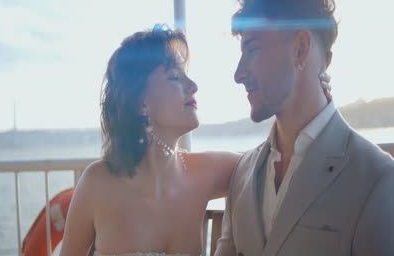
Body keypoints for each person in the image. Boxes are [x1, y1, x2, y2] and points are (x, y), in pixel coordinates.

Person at [60, 26, 331, 256]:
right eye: (175, 77)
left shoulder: (207, 172)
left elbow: (278, 160)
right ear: (141, 103)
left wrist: (311, 96)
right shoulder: (96, 184)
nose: (193, 85)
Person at [215, 0, 394, 256]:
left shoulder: (377, 177)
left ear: (300, 48)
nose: (238, 74)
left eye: (252, 49)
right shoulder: (242, 172)